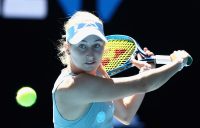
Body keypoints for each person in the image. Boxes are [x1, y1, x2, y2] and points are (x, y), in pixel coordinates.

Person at [52, 11, 191, 128]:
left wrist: (146, 72)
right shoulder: (73, 86)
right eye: (82, 46)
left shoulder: (98, 72)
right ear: (68, 48)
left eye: (97, 45)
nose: (91, 54)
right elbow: (143, 84)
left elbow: (125, 114)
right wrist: (179, 62)